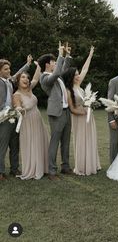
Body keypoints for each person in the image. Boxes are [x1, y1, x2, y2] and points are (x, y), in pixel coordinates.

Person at [63, 46, 101, 175]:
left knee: (90, 138)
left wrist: (90, 55)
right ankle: (82, 166)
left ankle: (92, 163)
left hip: (88, 115)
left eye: (78, 74)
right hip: (79, 117)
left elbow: (85, 68)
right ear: (71, 77)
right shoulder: (69, 91)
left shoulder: (78, 85)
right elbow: (72, 109)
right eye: (75, 75)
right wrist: (84, 112)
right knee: (81, 140)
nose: (78, 76)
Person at [38, 42, 73, 181]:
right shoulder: (44, 77)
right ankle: (52, 171)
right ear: (47, 64)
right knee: (55, 142)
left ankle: (65, 167)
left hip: (66, 111)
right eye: (53, 62)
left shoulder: (57, 76)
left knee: (66, 141)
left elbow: (62, 69)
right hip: (56, 113)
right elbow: (58, 71)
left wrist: (67, 55)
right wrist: (59, 54)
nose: (55, 63)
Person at [13, 61, 49, 179]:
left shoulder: (30, 89)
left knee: (40, 142)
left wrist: (38, 65)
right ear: (18, 80)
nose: (26, 79)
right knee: (30, 144)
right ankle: (32, 169)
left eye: (27, 78)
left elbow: (36, 78)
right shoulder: (16, 95)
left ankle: (41, 168)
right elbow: (17, 106)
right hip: (27, 123)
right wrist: (19, 109)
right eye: (23, 77)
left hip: (38, 120)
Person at [0, 55, 32, 181]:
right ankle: (1, 172)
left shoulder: (8, 81)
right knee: (2, 146)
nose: (9, 71)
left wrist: (28, 64)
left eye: (9, 69)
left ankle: (14, 169)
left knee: (14, 144)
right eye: (6, 69)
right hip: (3, 117)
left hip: (14, 115)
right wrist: (6, 111)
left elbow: (18, 73)